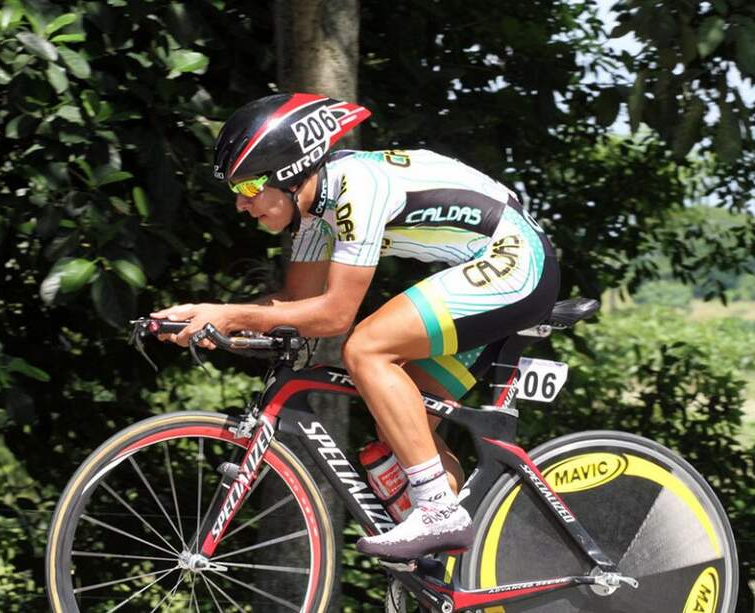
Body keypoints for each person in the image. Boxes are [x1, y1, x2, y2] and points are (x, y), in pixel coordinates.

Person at [152, 93, 560, 561]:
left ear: (286, 172)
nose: (241, 206)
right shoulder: (313, 214)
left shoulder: (355, 187)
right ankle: (460, 574)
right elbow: (296, 306)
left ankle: (438, 509)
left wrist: (228, 314)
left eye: (247, 189)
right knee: (400, 441)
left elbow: (333, 316)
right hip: (485, 271)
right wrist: (203, 318)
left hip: (516, 261)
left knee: (366, 347)